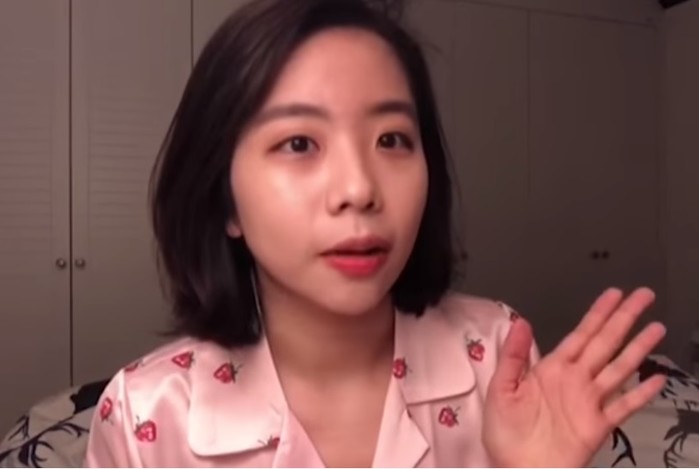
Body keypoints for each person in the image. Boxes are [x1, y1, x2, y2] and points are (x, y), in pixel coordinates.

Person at [83, 0, 667, 466]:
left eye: (391, 139)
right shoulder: (145, 417)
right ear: (225, 199)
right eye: (299, 143)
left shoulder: (495, 354)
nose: (360, 188)